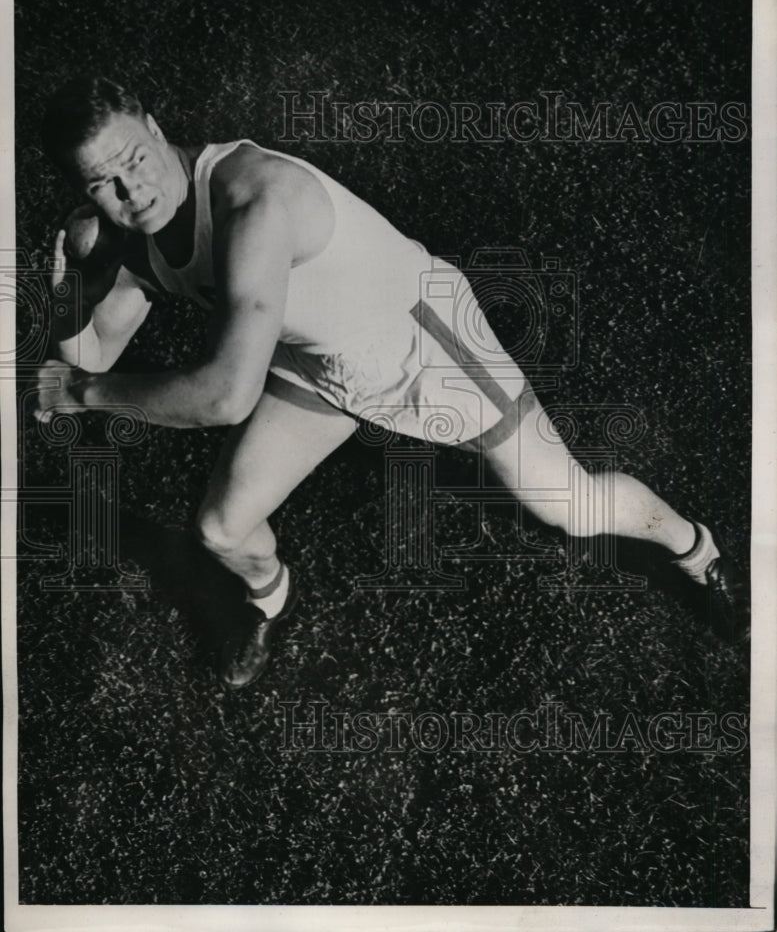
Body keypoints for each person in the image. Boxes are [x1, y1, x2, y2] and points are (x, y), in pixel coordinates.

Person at [34, 76, 749, 689]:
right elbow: (91, 351)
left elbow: (219, 396)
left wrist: (84, 396)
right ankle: (268, 599)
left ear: (158, 129)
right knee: (222, 528)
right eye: (102, 182)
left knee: (571, 506)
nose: (132, 190)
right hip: (317, 364)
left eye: (134, 158)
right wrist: (75, 280)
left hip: (422, 345)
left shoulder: (257, 198)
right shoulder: (131, 230)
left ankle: (696, 551)